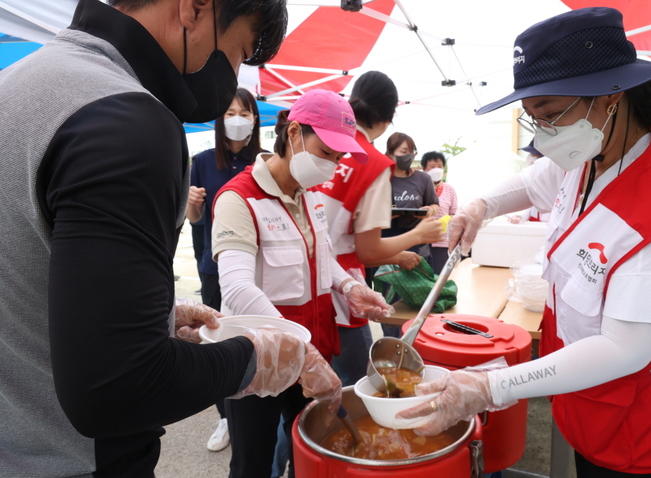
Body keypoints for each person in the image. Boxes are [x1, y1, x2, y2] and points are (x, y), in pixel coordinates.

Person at [0, 0, 343, 476]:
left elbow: (29, 276)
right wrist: (253, 357)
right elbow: (116, 389)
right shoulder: (127, 120)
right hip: (69, 459)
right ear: (194, 9)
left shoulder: (22, 82)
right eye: (239, 53)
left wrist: (150, 317)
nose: (233, 80)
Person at [397, 7, 651, 478]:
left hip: (648, 433)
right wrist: (479, 207)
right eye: (533, 119)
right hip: (594, 406)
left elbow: (624, 349)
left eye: (549, 115)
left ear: (610, 94)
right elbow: (533, 182)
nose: (544, 133)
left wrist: (491, 387)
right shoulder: (592, 151)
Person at [212, 89, 392, 478]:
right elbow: (238, 289)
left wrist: (350, 288)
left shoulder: (310, 197)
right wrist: (299, 349)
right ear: (293, 133)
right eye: (326, 152)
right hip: (259, 360)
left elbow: (323, 259)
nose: (332, 165)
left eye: (339, 157)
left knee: (309, 452)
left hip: (311, 353)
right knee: (253, 463)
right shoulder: (239, 199)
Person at [319, 71, 444, 386]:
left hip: (307, 285)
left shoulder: (325, 148)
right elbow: (368, 250)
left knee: (309, 385)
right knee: (357, 385)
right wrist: (418, 236)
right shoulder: (372, 164)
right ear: (389, 118)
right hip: (343, 291)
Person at [186, 87, 263, 452]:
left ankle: (258, 405)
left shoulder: (263, 161)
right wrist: (191, 205)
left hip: (257, 268)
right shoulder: (201, 162)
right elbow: (195, 220)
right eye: (230, 112)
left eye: (244, 113)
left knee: (256, 337)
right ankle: (224, 417)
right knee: (216, 339)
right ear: (220, 119)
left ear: (254, 119)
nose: (237, 119)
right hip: (213, 268)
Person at [380, 132, 439, 336]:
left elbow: (434, 204)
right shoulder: (380, 178)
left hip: (418, 241)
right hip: (387, 243)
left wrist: (428, 211)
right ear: (389, 154)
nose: (408, 156)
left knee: (418, 296)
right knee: (389, 300)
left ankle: (417, 339)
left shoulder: (422, 178)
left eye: (411, 152)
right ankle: (391, 342)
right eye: (403, 152)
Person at [421, 151, 458, 275]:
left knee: (440, 279)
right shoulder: (418, 188)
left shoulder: (450, 189)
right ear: (424, 168)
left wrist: (446, 219)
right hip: (421, 241)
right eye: (432, 166)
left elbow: (455, 213)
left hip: (442, 242)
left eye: (440, 166)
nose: (436, 169)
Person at [507, 141, 550, 224]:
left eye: (534, 155)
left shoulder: (553, 185)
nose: (530, 158)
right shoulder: (533, 183)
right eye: (530, 154)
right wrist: (519, 217)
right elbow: (529, 206)